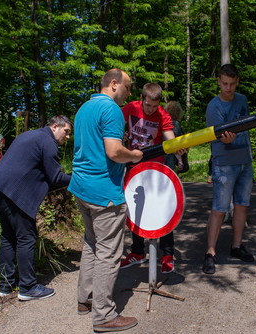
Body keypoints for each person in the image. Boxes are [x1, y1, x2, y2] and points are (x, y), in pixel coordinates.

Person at [68, 69, 142, 332]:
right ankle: (104, 316)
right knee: (109, 253)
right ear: (114, 84)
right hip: (104, 193)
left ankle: (84, 299)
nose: (129, 93)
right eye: (128, 87)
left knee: (92, 244)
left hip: (81, 188)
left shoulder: (84, 108)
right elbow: (113, 151)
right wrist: (133, 154)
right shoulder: (111, 110)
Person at [0, 115, 72, 301]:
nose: (67, 137)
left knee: (8, 236)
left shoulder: (30, 135)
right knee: (26, 236)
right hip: (13, 193)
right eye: (66, 132)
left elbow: (40, 173)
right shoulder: (48, 141)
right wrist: (78, 179)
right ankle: (28, 287)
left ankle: (6, 286)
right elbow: (55, 178)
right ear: (55, 126)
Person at [121, 83, 183, 274]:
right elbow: (113, 125)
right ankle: (137, 252)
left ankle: (167, 254)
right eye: (148, 105)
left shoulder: (163, 115)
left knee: (162, 210)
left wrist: (177, 148)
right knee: (135, 209)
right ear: (142, 99)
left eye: (154, 106)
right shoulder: (130, 108)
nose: (150, 110)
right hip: (133, 167)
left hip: (156, 170)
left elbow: (170, 138)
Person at [202, 64, 254, 275]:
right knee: (219, 209)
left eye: (232, 84)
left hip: (245, 161)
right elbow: (221, 138)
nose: (228, 88)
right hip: (224, 163)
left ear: (237, 82)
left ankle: (236, 246)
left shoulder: (242, 100)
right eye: (224, 83)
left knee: (242, 206)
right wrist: (228, 139)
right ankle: (210, 253)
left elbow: (248, 125)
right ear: (218, 82)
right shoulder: (213, 107)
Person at [164, 101, 187, 173]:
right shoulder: (176, 124)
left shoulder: (162, 121)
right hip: (171, 156)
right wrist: (180, 160)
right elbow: (177, 143)